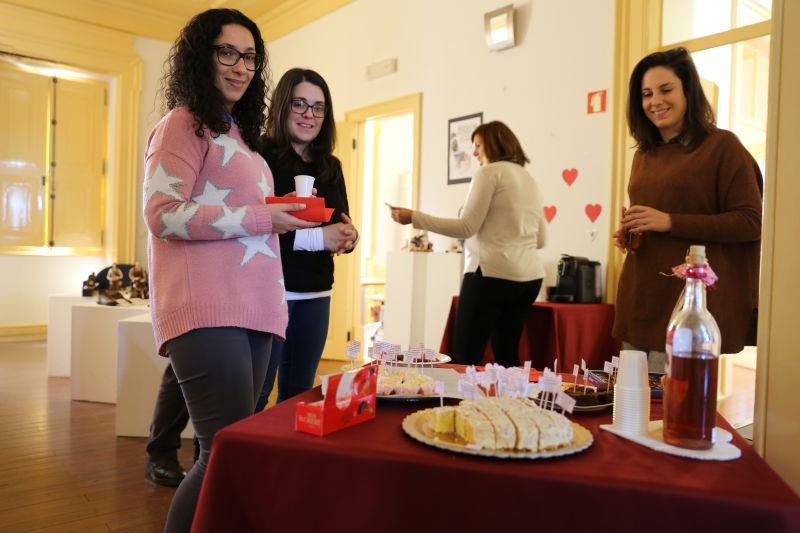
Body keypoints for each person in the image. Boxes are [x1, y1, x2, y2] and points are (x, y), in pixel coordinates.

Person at [142, 9, 318, 532]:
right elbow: (162, 215)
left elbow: (245, 223)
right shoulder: (182, 124)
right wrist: (266, 214)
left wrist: (286, 220)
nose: (241, 67)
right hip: (207, 308)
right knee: (222, 452)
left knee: (230, 451)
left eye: (249, 57)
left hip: (256, 309)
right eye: (227, 53)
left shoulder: (239, 137)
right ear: (202, 56)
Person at [612, 47, 762, 372]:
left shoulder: (723, 147)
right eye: (646, 94)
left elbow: (750, 222)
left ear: (688, 91)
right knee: (629, 406)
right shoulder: (644, 154)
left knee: (671, 411)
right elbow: (651, 216)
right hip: (640, 295)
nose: (655, 101)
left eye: (666, 90)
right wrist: (631, 233)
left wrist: (669, 221)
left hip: (688, 304)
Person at [390, 121, 546, 367]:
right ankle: (508, 406)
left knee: (465, 358)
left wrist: (414, 217)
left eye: (477, 145)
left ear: (492, 144)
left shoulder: (489, 173)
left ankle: (462, 407)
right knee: (506, 356)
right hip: (530, 279)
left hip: (490, 275)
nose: (474, 153)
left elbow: (466, 228)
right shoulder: (529, 179)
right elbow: (541, 240)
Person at [255, 68, 358, 411]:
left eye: (318, 107)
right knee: (256, 395)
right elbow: (254, 231)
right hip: (269, 292)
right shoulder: (259, 158)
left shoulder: (331, 166)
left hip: (316, 294)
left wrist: (349, 237)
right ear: (282, 107)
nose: (309, 115)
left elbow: (340, 225)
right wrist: (318, 239)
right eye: (299, 104)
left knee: (298, 395)